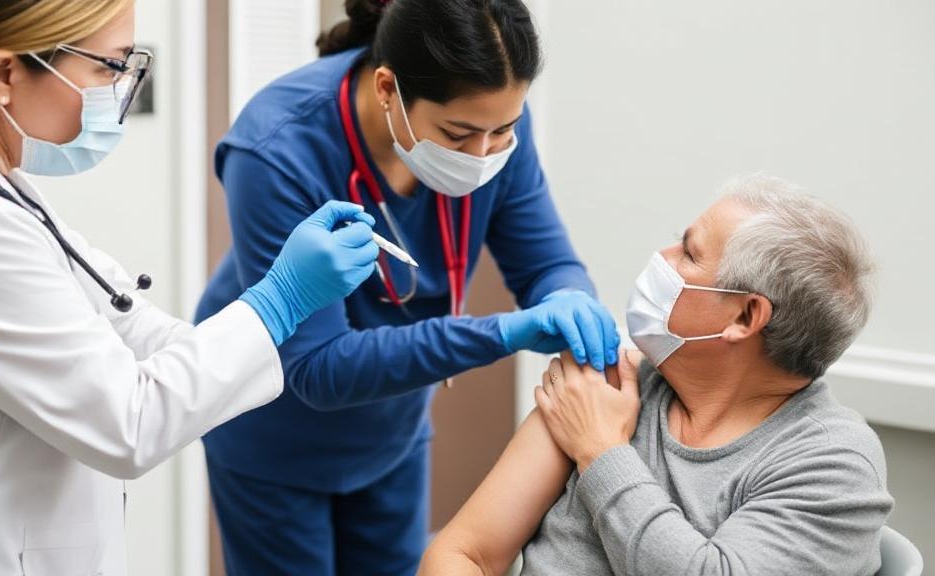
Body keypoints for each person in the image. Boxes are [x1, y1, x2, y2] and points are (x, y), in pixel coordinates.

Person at [0, 2, 379, 574]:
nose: (124, 89)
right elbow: (127, 423)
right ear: (4, 76)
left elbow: (123, 319)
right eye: (109, 68)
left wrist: (253, 351)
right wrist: (278, 301)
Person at [194, 0, 620, 573]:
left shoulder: (492, 131)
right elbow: (318, 368)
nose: (483, 155)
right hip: (275, 436)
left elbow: (546, 265)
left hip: (392, 431)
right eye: (459, 133)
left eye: (503, 131)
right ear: (389, 87)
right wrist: (499, 334)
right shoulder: (276, 148)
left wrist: (568, 294)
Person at [420, 175, 894, 575]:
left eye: (688, 254)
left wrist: (601, 451)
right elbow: (464, 554)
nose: (662, 258)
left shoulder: (834, 463)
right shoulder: (600, 387)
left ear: (745, 318)